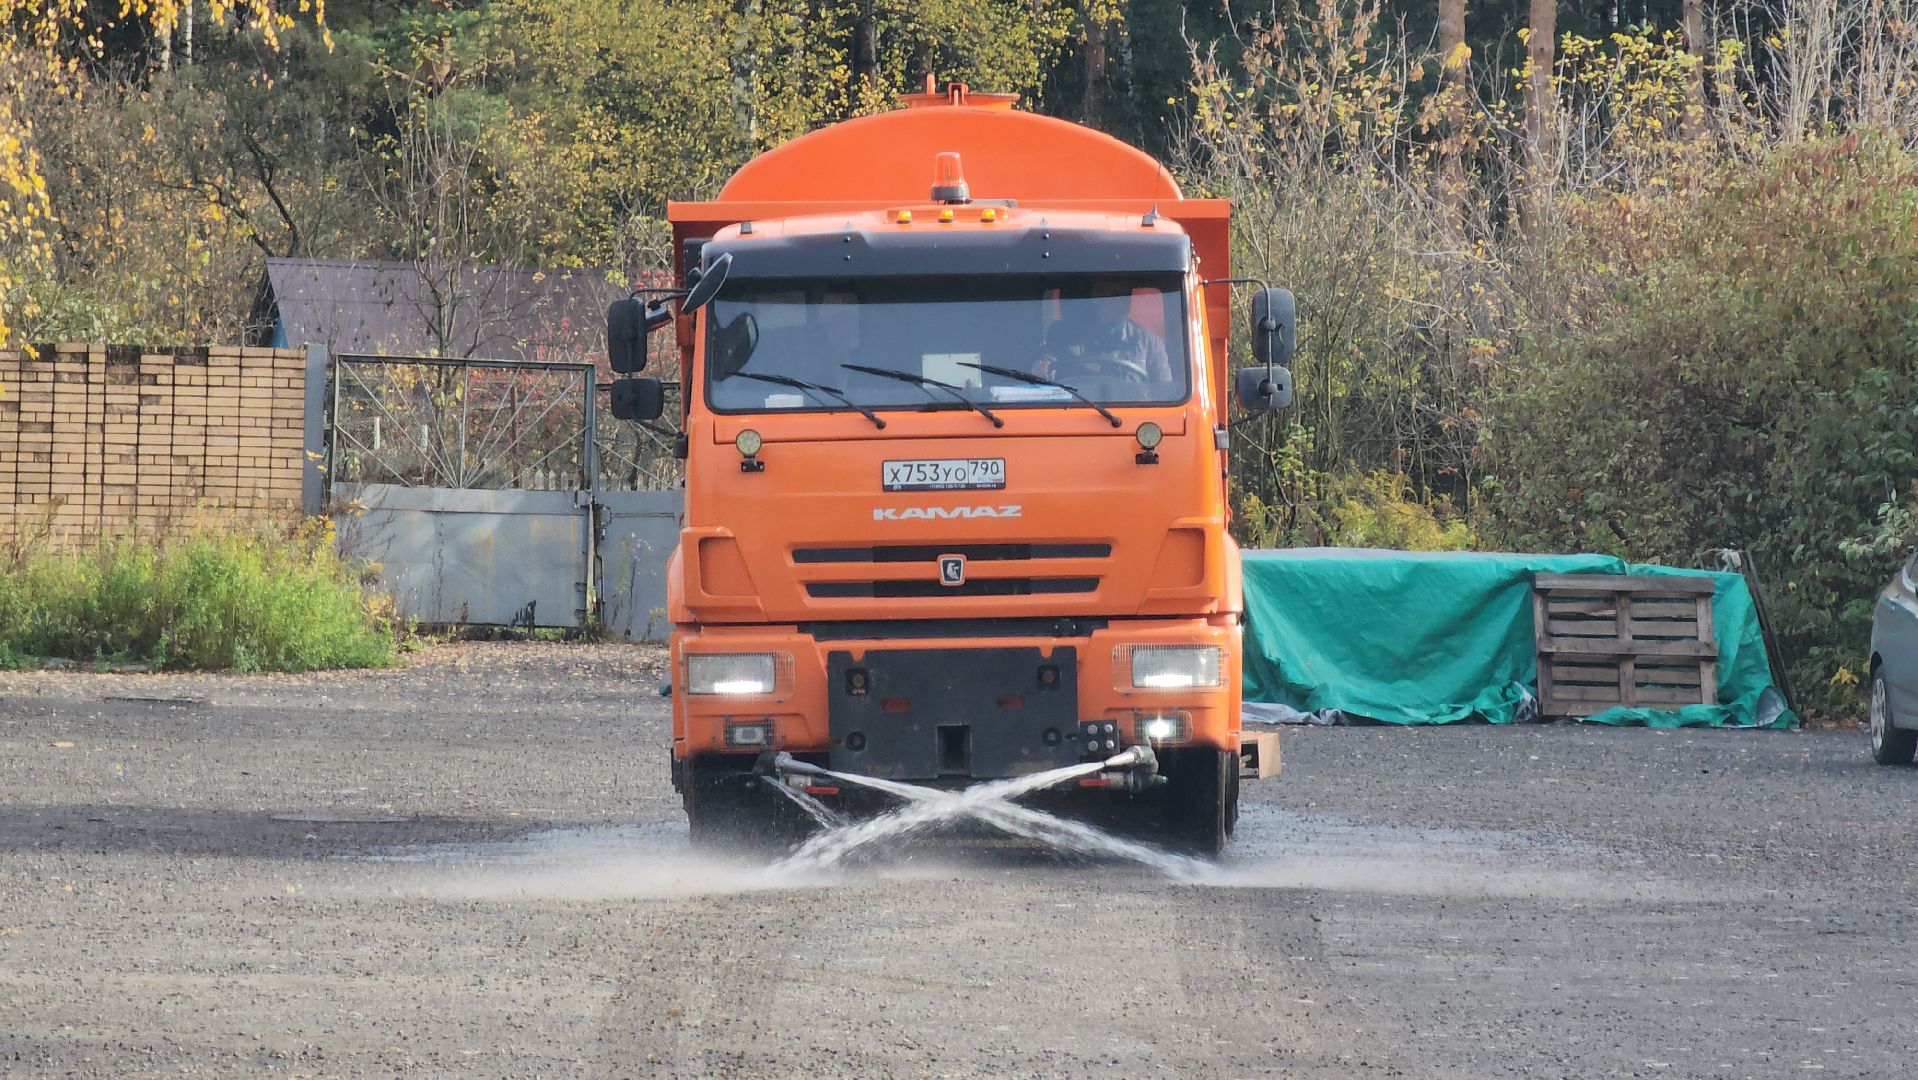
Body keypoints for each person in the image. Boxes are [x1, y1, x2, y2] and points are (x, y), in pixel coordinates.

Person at [1034, 281, 1172, 384]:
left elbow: (1164, 391)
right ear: (1096, 298)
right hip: (1074, 412)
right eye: (1112, 295)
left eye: (1125, 295)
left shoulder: (1150, 343)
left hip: (1130, 416)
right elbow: (1045, 370)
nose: (1121, 301)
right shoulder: (1064, 335)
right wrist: (1042, 369)